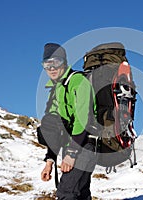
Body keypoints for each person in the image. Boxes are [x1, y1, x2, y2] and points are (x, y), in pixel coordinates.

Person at [39, 43, 97, 200]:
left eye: (55, 62)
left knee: (66, 192)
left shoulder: (79, 82)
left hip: (85, 144)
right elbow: (55, 127)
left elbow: (83, 120)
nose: (51, 68)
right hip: (71, 145)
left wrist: (71, 153)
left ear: (64, 62)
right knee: (81, 192)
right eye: (47, 64)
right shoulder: (56, 88)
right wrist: (50, 160)